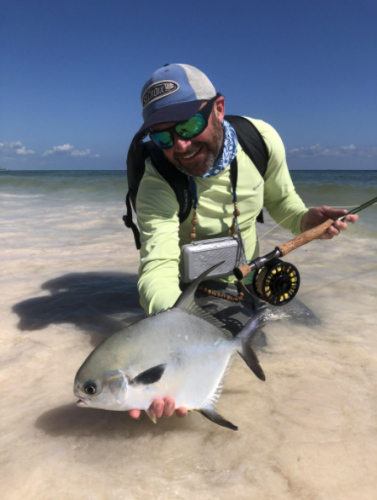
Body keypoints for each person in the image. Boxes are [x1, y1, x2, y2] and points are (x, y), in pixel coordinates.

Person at [128, 63, 358, 422]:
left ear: (218, 108)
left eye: (187, 126)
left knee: (312, 332)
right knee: (258, 353)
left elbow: (283, 203)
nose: (180, 145)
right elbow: (156, 267)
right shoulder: (156, 178)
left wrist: (305, 219)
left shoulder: (261, 140)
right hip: (190, 294)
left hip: (249, 278)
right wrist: (171, 336)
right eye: (162, 137)